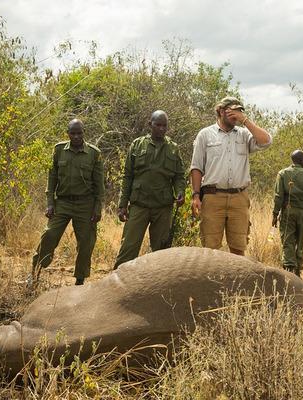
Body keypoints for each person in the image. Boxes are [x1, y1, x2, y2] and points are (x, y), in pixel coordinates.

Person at [189, 96, 272, 256]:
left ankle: (237, 281)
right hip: (213, 197)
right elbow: (196, 167)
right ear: (221, 111)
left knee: (238, 248)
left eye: (239, 112)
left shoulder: (244, 134)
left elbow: (266, 142)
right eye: (233, 111)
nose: (237, 115)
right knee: (210, 249)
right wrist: (196, 196)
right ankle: (211, 281)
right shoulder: (205, 135)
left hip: (239, 198)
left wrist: (245, 120)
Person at [29, 119, 104, 286]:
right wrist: (50, 203)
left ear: (84, 132)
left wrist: (97, 208)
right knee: (49, 235)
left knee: (86, 242)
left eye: (80, 133)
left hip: (85, 204)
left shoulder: (94, 153)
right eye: (73, 133)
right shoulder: (58, 150)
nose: (77, 136)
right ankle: (34, 273)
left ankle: (80, 279)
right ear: (68, 133)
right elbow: (52, 178)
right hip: (62, 203)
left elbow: (99, 184)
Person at [113, 110, 186, 269]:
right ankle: (117, 282)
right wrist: (122, 205)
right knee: (128, 248)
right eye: (157, 125)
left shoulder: (173, 148)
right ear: (150, 125)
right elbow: (127, 176)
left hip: (162, 206)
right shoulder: (137, 145)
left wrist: (180, 191)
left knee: (161, 252)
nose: (161, 129)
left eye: (164, 125)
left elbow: (179, 176)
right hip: (139, 204)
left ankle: (159, 289)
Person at [272, 150, 303, 277]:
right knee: (300, 240)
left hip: (288, 211)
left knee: (287, 239)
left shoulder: (283, 173)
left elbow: (278, 196)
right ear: (302, 161)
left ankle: (289, 269)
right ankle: (298, 270)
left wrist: (275, 213)